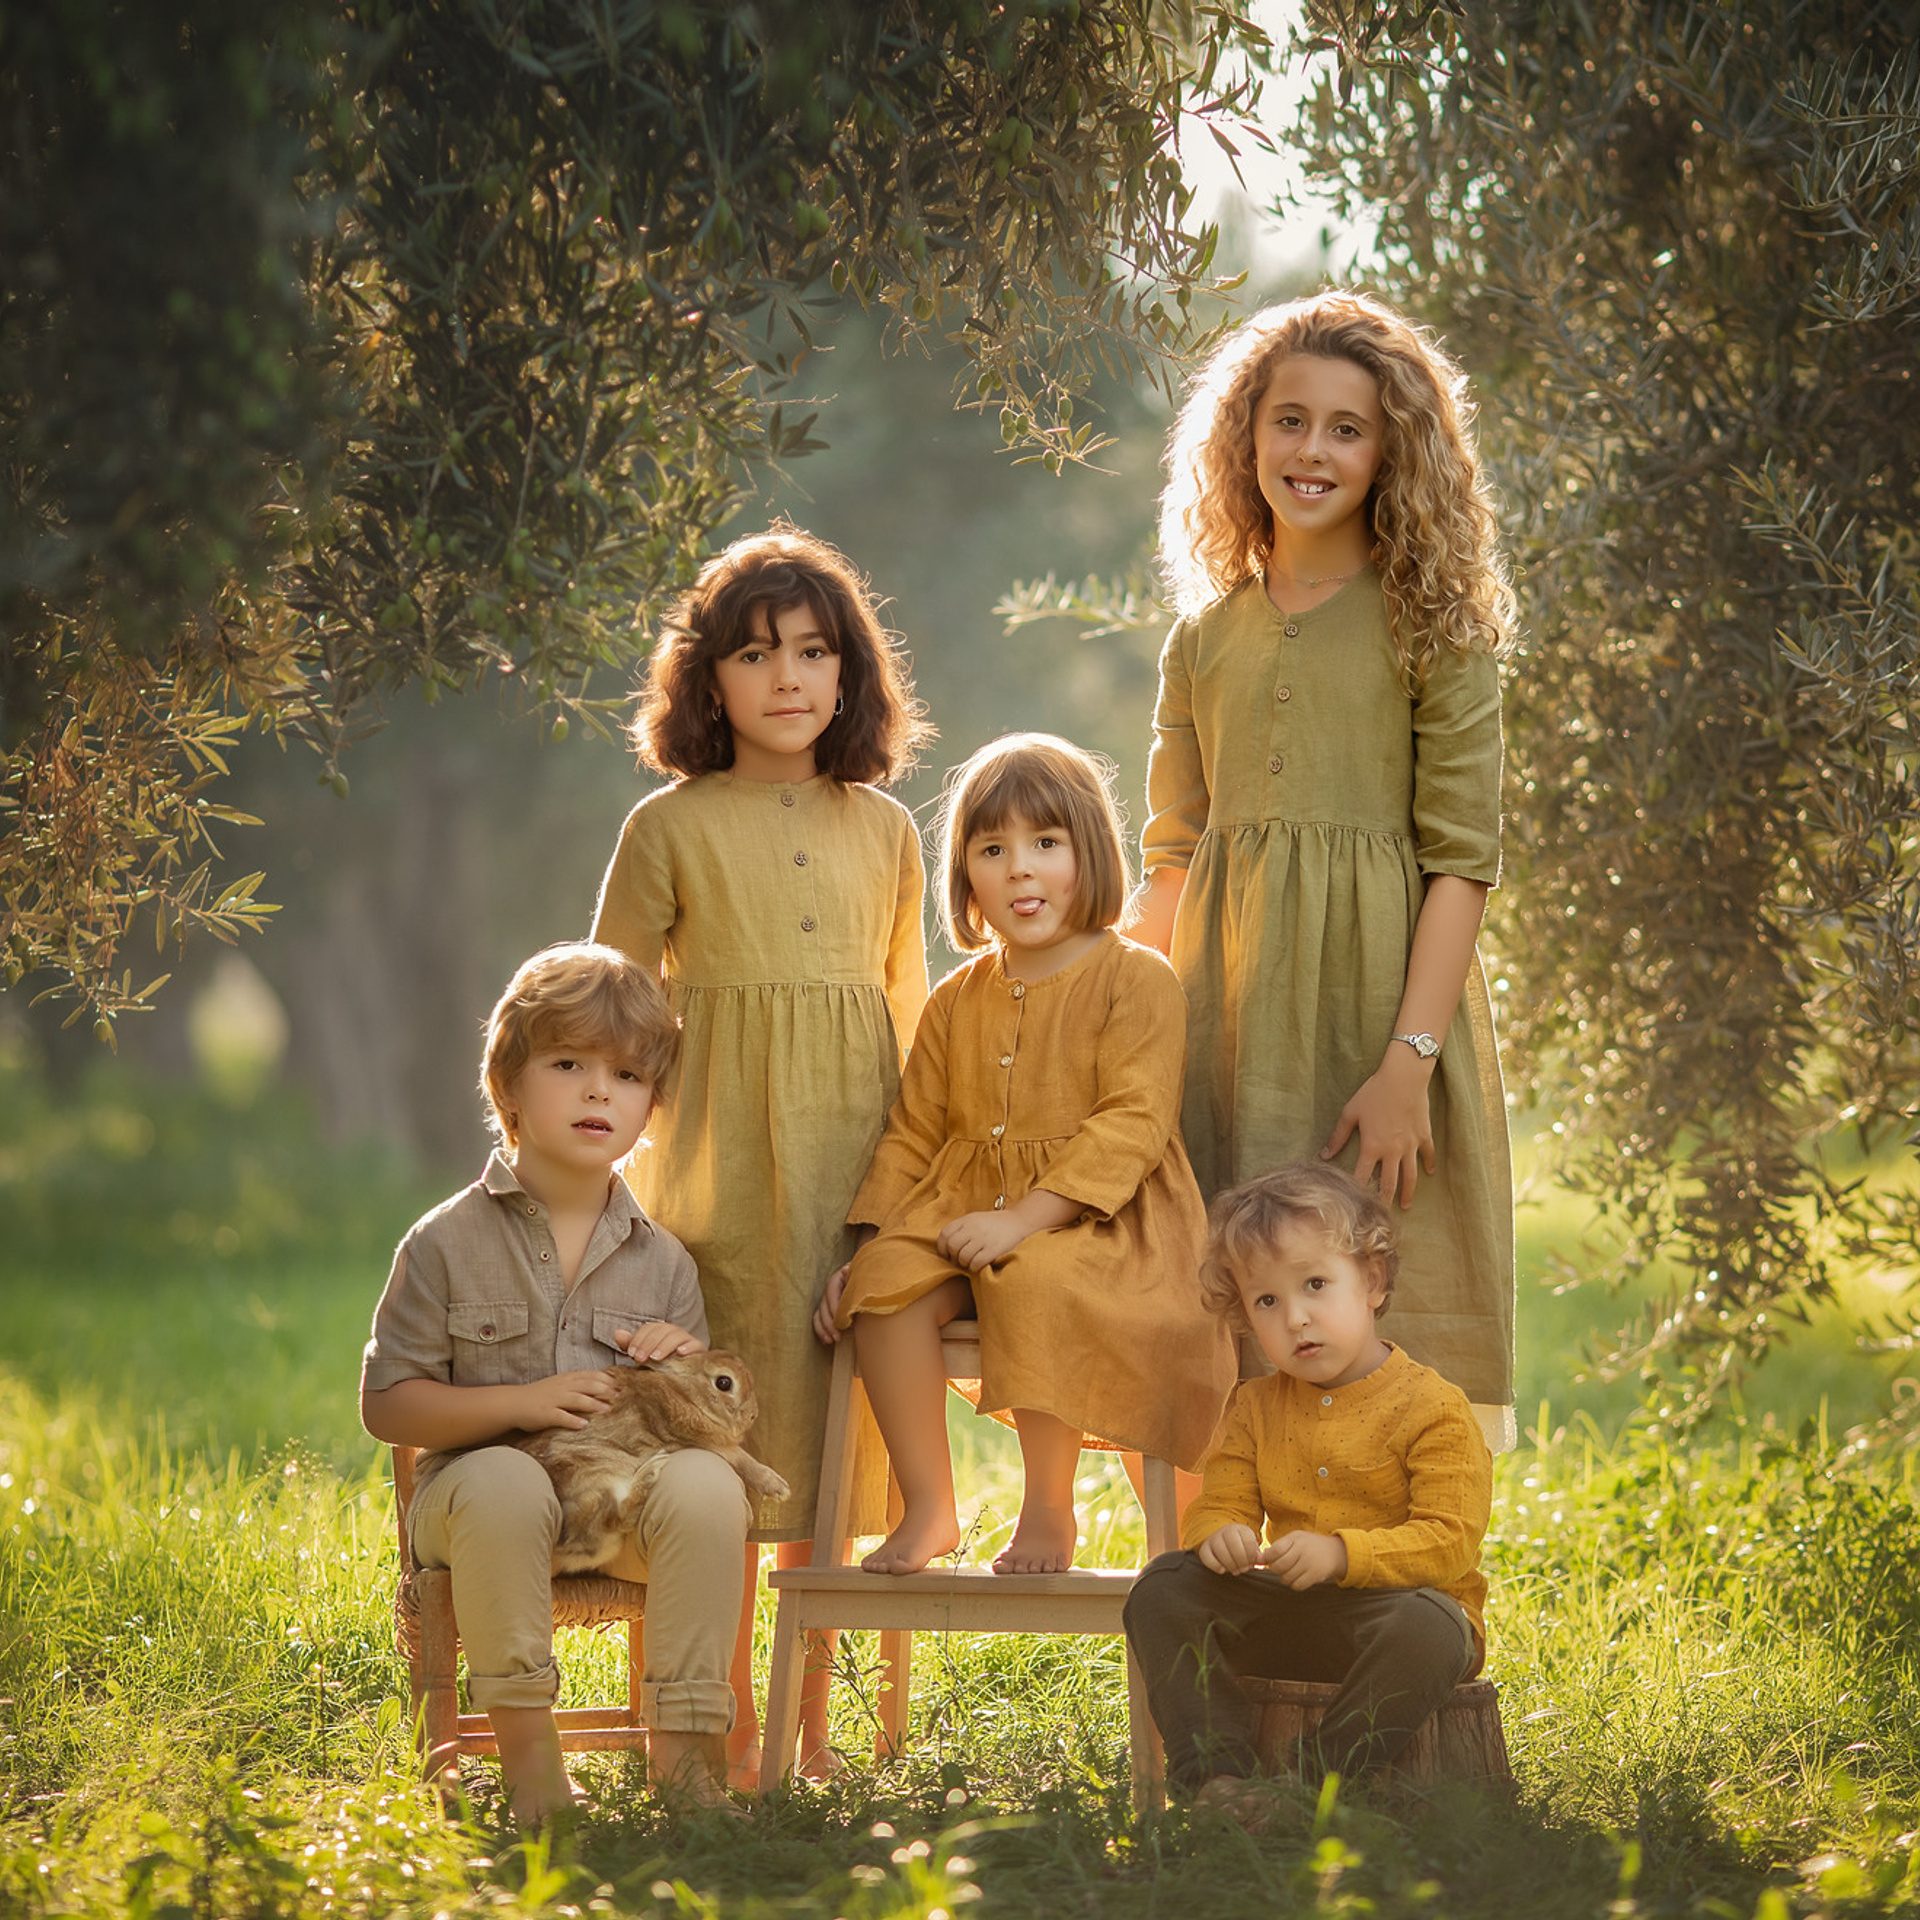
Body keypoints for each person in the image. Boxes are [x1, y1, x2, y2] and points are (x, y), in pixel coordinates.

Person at [1129, 289, 1518, 1447]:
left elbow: (1462, 864)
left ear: (1392, 451)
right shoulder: (1202, 641)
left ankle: (1398, 1593)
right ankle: (1228, 1594)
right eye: (1288, 420)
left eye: (1346, 428)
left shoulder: (1434, 631)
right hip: (1230, 1023)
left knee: (1379, 1302)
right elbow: (1172, 854)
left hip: (1381, 1023)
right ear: (1244, 438)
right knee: (1238, 1307)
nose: (1313, 450)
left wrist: (1409, 1064)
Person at [590, 522, 931, 1780]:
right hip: (716, 1175)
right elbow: (608, 1013)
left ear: (849, 674)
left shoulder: (886, 830)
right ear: (708, 681)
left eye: (811, 651)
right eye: (753, 653)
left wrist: (915, 1189)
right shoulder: (667, 828)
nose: (787, 676)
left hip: (857, 1171)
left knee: (836, 1456)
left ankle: (808, 1733)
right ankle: (712, 1728)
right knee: (720, 1441)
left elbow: (910, 1017)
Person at [820, 733, 1236, 1576]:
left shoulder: (1137, 979)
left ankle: (1047, 1510)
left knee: (1034, 1276)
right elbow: (914, 1131)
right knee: (882, 1291)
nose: (1019, 870)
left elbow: (1132, 1121)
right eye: (993, 848)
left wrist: (1026, 1221)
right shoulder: (955, 999)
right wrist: (867, 1249)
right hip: (962, 1214)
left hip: (1103, 1222)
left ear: (1091, 855)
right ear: (965, 873)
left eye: (1047, 844)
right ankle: (932, 1507)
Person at [360, 943, 749, 1821]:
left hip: (617, 1512)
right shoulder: (444, 1241)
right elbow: (386, 1406)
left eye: (625, 1073)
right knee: (501, 1478)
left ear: (652, 1105)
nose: (598, 1090)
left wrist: (685, 1376)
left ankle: (685, 1764)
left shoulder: (666, 1263)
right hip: (478, 1509)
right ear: (509, 1085)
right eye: (567, 1064)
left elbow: (703, 1434)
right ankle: (534, 1770)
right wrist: (521, 1406)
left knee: (704, 1482)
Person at [1122, 1164, 1491, 1815]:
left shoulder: (1434, 1407)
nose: (1295, 1318)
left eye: (1316, 1285)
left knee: (1434, 1626)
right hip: (1292, 1611)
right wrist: (1220, 1536)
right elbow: (1221, 1502)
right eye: (1267, 1301)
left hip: (1394, 1623)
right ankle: (1218, 1777)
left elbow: (1450, 1542)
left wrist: (1342, 1555)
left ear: (1372, 1282)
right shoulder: (1255, 1406)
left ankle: (1314, 1786)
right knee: (1162, 1587)